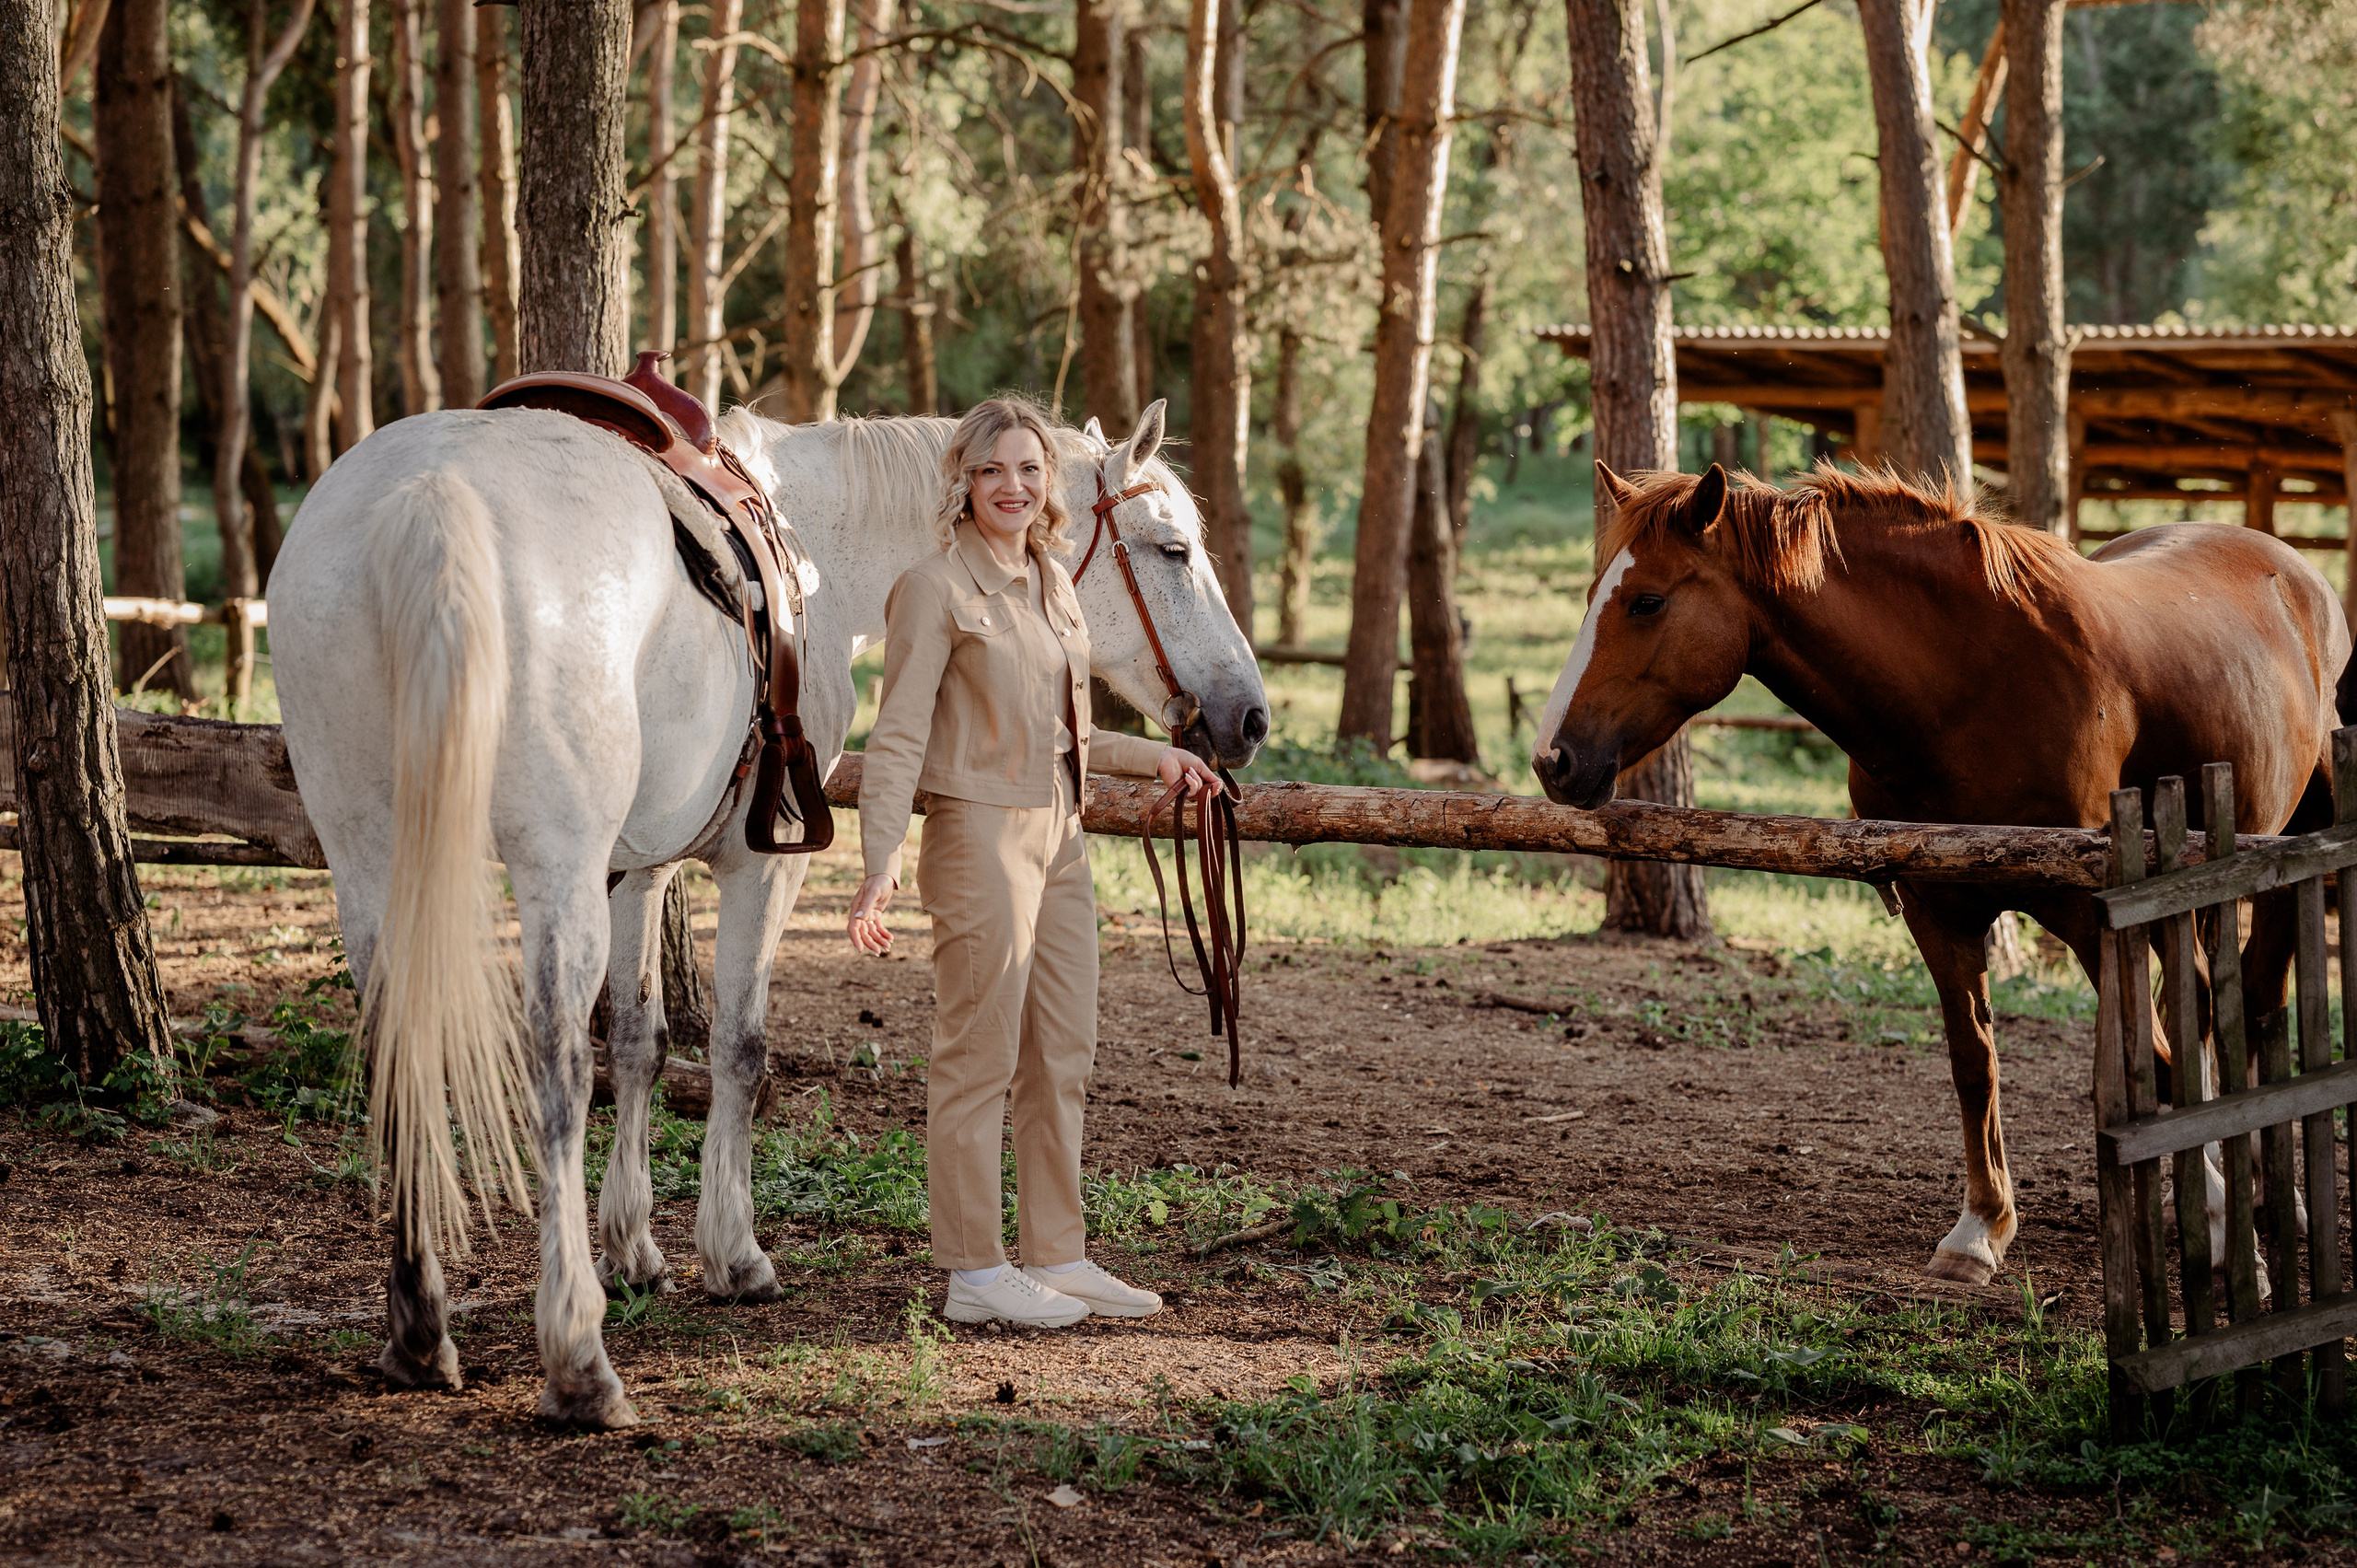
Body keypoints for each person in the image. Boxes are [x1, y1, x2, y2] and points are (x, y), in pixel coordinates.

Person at [848, 395, 1224, 1328]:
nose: (1011, 486)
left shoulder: (1054, 585)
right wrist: (880, 859)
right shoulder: (931, 589)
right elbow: (894, 738)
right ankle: (974, 1268)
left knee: (1062, 1050)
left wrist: (1162, 756)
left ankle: (1057, 1249)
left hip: (1061, 836)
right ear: (963, 484)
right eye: (991, 470)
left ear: (1047, 482)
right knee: (977, 1057)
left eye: (1026, 469)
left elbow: (1077, 735)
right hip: (978, 835)